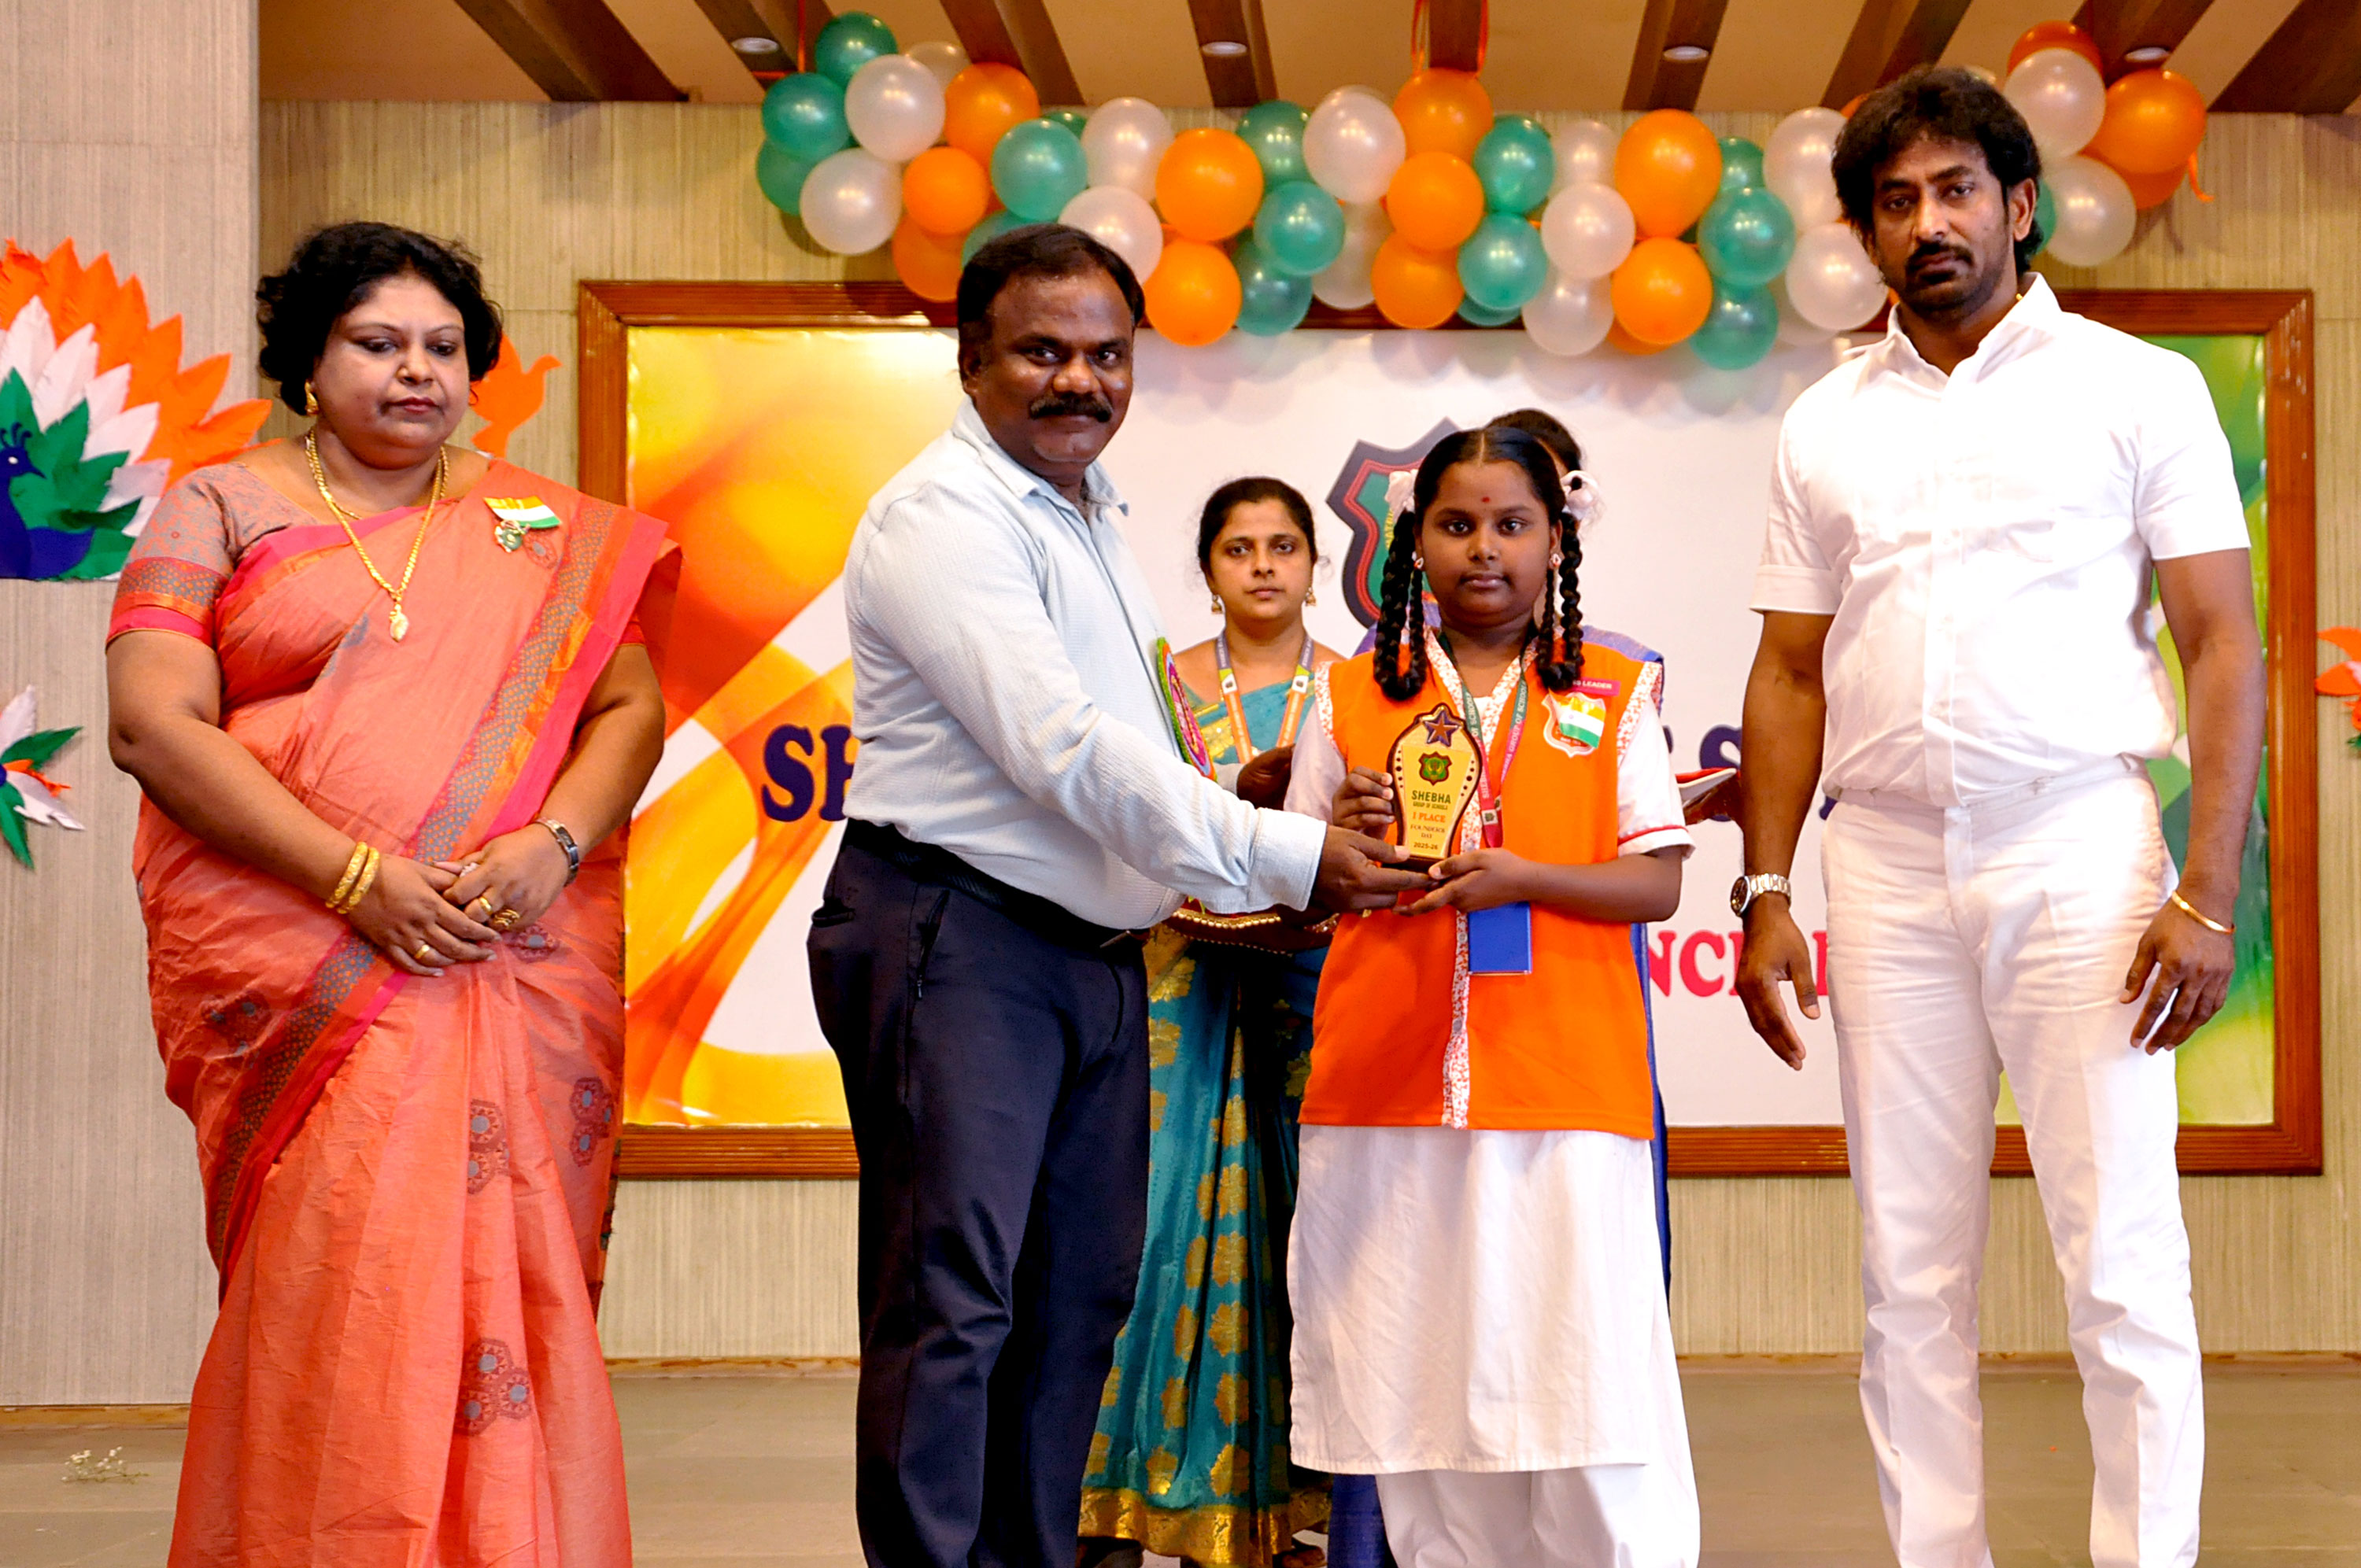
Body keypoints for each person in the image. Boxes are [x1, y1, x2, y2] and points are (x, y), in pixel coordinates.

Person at [807, 224, 1423, 1568]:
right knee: (954, 1302)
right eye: (1042, 350)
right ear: (970, 360)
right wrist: (1288, 853)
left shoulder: (1089, 512)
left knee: (1078, 1295)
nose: (1081, 379)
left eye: (1106, 353)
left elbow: (1118, 743)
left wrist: (1242, 791)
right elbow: (1060, 751)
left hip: (1090, 953)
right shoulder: (943, 517)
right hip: (955, 934)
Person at [1733, 67, 2262, 1568]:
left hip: (2080, 848)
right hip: (1883, 863)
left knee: (2121, 1262)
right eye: (1896, 201)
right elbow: (1789, 669)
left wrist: (2208, 891)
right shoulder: (1822, 424)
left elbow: (2225, 642)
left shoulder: (2134, 387)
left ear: (2021, 204)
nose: (1931, 223)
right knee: (1907, 1274)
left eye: (1958, 189)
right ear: (1864, 231)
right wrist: (1766, 887)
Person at [105, 221, 674, 1565]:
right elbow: (151, 723)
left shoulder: (542, 523)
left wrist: (555, 844)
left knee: (506, 1279)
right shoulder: (217, 506)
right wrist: (358, 879)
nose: (417, 370)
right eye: (378, 343)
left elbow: (630, 708)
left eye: (443, 347)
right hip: (306, 962)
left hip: (506, 948)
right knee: (343, 1275)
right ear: (308, 363)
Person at [1285, 427, 1700, 1566]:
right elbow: (1300, 883)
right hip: (1385, 1094)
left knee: (1586, 1392)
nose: (1484, 549)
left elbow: (1657, 883)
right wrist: (1339, 840)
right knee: (1418, 1402)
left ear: (1555, 540)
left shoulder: (1615, 688)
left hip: (1565, 1091)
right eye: (1457, 525)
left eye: (1512, 525)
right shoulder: (1349, 693)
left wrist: (1525, 879)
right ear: (1413, 543)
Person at [1079, 478, 1342, 1567]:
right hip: (1178, 983)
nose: (1264, 565)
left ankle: (1273, 1507)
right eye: (1240, 548)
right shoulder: (1161, 684)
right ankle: (1120, 1500)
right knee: (1155, 1221)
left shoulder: (1355, 689)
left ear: (1316, 567)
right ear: (1208, 569)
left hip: (1306, 987)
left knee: (1300, 1225)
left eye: (1284, 545)